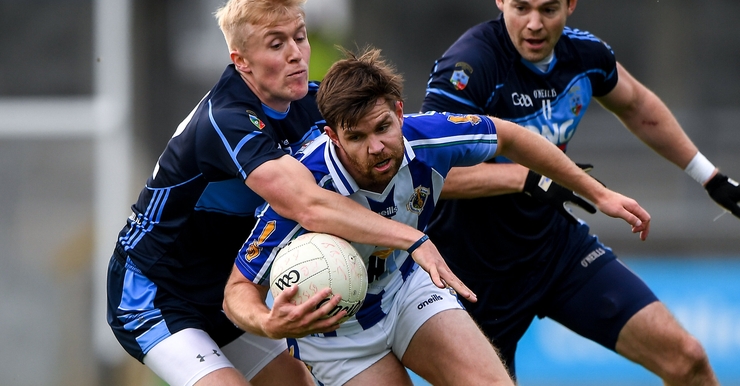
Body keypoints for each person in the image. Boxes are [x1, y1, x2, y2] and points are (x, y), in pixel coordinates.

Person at [420, 0, 740, 385]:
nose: (534, 24)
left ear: (571, 2)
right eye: (520, 8)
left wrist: (708, 175)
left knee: (686, 359)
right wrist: (523, 177)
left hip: (555, 250)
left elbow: (638, 107)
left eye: (549, 9)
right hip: (473, 273)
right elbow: (427, 170)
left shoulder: (585, 56)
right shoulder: (470, 67)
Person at [105, 0, 473, 386]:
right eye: (276, 44)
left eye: (299, 37)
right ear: (240, 60)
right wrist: (412, 238)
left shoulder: (313, 107)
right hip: (156, 292)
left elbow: (400, 165)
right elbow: (308, 204)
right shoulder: (224, 121)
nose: (296, 53)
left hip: (229, 291)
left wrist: (529, 179)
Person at [223, 47, 651, 386]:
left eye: (383, 127)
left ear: (399, 111)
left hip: (407, 290)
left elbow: (511, 137)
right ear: (333, 136)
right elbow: (238, 288)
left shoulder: (427, 136)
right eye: (356, 137)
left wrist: (598, 192)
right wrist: (266, 320)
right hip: (337, 337)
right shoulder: (301, 189)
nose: (377, 147)